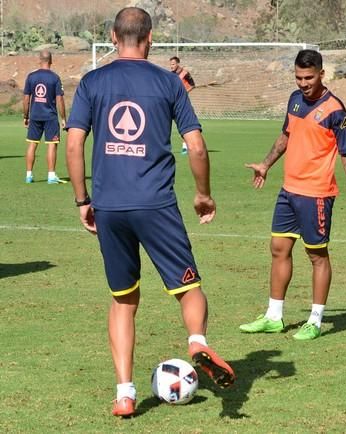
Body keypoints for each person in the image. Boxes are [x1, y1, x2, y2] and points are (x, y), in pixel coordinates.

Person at [65, 7, 235, 418]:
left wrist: (83, 200)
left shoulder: (92, 81)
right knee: (188, 287)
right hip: (156, 204)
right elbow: (195, 146)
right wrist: (203, 195)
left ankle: (124, 393)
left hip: (109, 205)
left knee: (124, 300)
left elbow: (73, 145)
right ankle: (197, 341)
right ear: (151, 39)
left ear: (111, 36)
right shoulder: (168, 82)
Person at [240, 49, 346, 340]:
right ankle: (274, 316)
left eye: (309, 77)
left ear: (322, 74)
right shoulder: (294, 99)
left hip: (317, 194)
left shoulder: (335, 110)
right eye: (299, 77)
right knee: (278, 248)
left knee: (316, 255)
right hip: (289, 190)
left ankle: (315, 320)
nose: (303, 83)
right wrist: (265, 164)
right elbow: (286, 135)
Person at [23, 50, 66, 184]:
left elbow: (26, 99)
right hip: (50, 117)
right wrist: (63, 118)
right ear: (51, 61)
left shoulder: (31, 76)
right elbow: (60, 100)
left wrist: (26, 116)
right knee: (52, 145)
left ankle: (29, 176)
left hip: (35, 115)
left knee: (32, 144)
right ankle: (51, 176)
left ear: (39, 60)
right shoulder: (55, 78)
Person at [170, 56, 196, 155]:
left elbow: (193, 85)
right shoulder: (171, 75)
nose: (171, 66)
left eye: (173, 64)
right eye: (170, 64)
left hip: (182, 103)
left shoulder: (185, 74)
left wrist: (184, 92)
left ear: (177, 64)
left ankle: (185, 147)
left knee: (182, 124)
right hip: (172, 102)